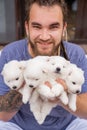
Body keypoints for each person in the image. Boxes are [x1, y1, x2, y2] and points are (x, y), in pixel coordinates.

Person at [0, 0, 87, 130]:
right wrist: (24, 84)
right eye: (37, 26)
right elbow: (2, 115)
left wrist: (61, 96)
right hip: (19, 126)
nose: (45, 37)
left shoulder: (75, 54)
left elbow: (85, 112)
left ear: (64, 28)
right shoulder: (11, 54)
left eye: (53, 27)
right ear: (27, 27)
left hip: (68, 125)